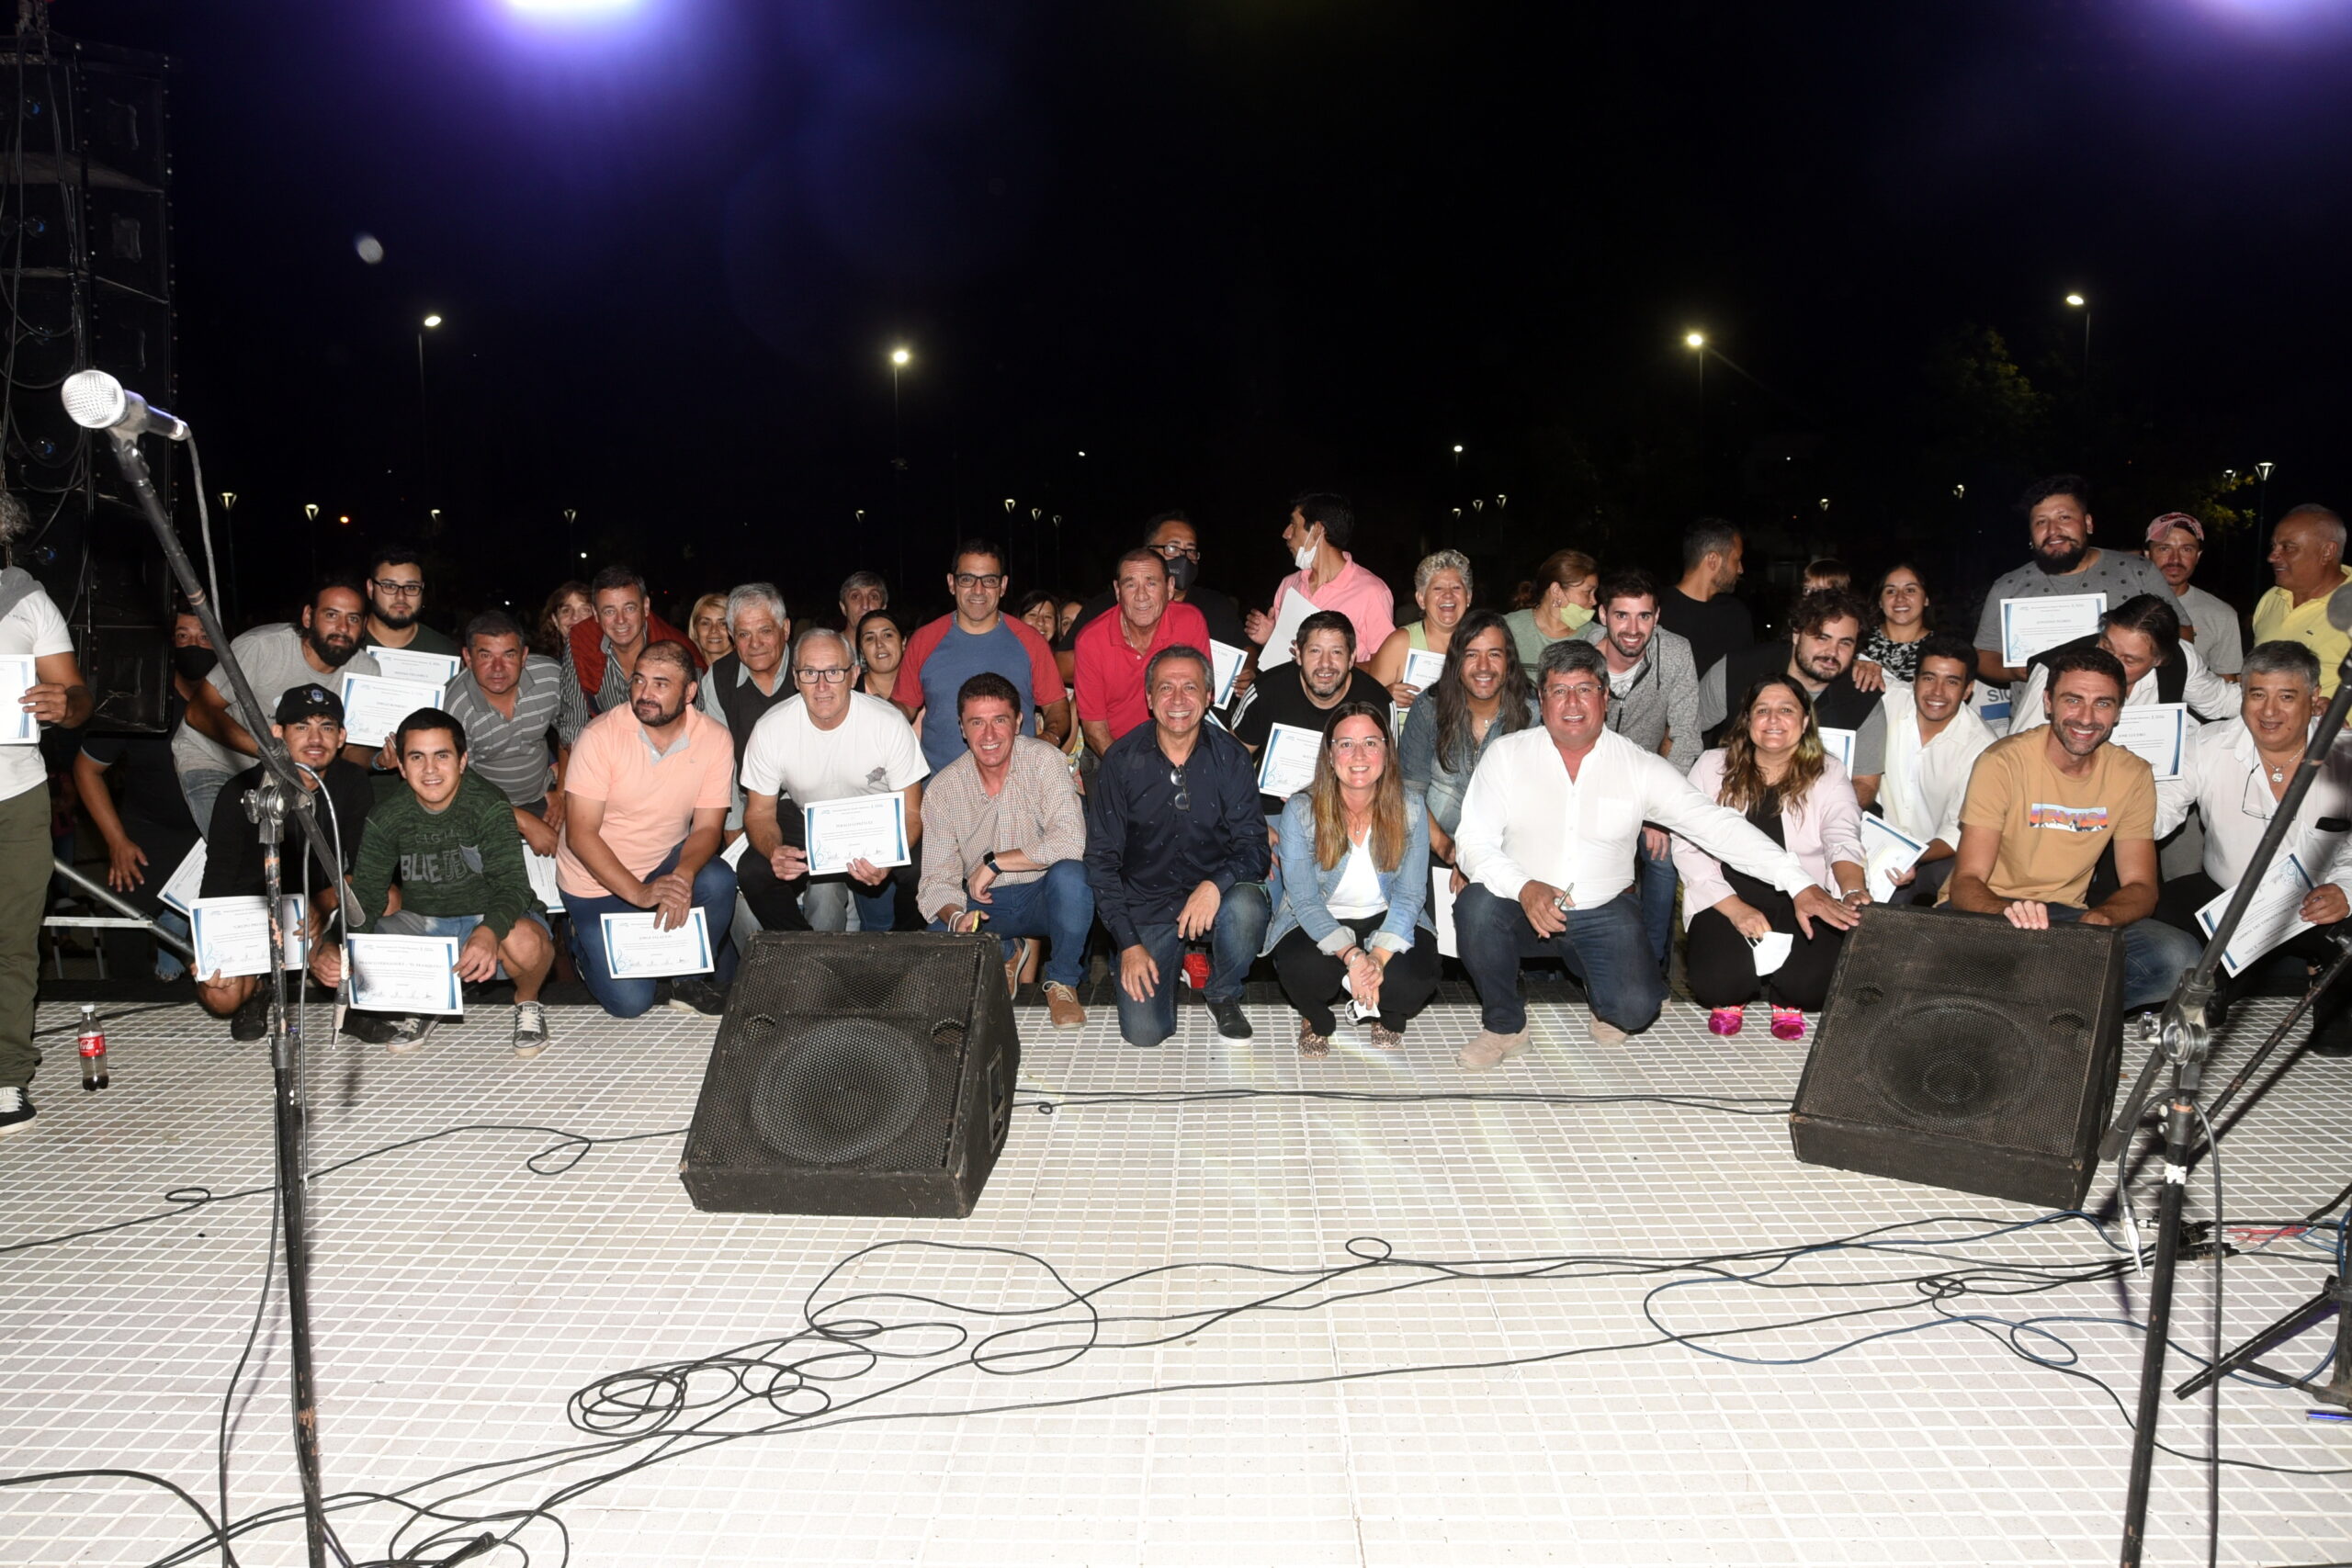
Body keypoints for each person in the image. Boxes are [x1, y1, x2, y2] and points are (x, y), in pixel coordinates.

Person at [1450, 641, 1851, 1067]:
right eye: (1559, 690)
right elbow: (1473, 843)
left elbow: (1718, 826)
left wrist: (1800, 882)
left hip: (1604, 906)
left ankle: (1596, 982)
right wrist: (1524, 886)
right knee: (1476, 905)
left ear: (1605, 696)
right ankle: (1505, 1024)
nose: (1572, 703)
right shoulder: (1507, 756)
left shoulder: (1638, 766)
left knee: (1634, 1011)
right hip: (1521, 903)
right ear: (1541, 698)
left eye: (1585, 689)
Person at [1939, 646, 2199, 1012]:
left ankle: (2031, 1005)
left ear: (2119, 711)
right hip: (1990, 913)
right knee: (1945, 960)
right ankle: (2053, 1005)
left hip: (2066, 919)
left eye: (2103, 704)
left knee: (2179, 958)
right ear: (2048, 702)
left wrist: (2102, 917)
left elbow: (2141, 888)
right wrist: (2008, 914)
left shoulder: (2132, 774)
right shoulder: (2002, 762)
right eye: (2073, 700)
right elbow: (1967, 881)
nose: (2086, 717)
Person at [312, 707, 554, 1055]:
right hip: (427, 924)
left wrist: (488, 931)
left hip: (487, 918)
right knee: (363, 949)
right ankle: (425, 1004)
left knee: (525, 940)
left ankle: (527, 1003)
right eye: (416, 757)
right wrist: (335, 945)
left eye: (442, 756)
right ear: (400, 764)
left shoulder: (488, 804)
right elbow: (365, 893)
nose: (429, 770)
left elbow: (513, 885)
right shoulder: (387, 815)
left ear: (462, 760)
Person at [2153, 641, 2352, 1053]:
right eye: (2257, 694)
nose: (2269, 711)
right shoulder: (2207, 745)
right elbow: (2158, 814)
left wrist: (2346, 890)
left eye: (2286, 696)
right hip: (2227, 899)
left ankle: (2330, 995)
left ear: (2314, 699)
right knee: (2163, 903)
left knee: (2339, 1043)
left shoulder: (2345, 755)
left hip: (2314, 904)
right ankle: (2220, 982)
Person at [1085, 645, 1272, 1046]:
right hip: (1146, 904)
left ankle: (1222, 992)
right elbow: (1100, 862)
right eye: (1165, 688)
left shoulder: (1231, 757)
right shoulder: (1121, 761)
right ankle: (1167, 962)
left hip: (1216, 895)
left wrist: (1214, 885)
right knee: (1144, 1033)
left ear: (1208, 697)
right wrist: (1129, 943)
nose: (1177, 700)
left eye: (1190, 687)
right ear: (1149, 698)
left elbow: (1255, 848)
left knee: (1248, 907)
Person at [1675, 675, 1868, 1041]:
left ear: (1805, 721)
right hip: (1725, 896)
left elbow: (1841, 836)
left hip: (1804, 896)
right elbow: (1687, 845)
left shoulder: (1829, 771)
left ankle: (1786, 997)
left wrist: (1852, 889)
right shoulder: (1712, 766)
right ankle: (1736, 992)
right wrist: (1735, 909)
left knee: (1810, 990)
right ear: (1747, 720)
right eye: (1762, 710)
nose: (1774, 720)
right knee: (1717, 986)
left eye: (1786, 710)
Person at [556, 640, 737, 1018]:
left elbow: (707, 828)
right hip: (594, 884)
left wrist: (682, 877)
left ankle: (687, 981)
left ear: (689, 691)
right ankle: (580, 944)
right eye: (639, 681)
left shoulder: (714, 739)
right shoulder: (600, 736)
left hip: (661, 863)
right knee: (631, 1004)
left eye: (660, 683)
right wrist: (640, 894)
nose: (645, 693)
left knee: (716, 879)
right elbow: (580, 835)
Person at [191, 684, 373, 1042]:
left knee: (382, 908)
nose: (315, 737)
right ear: (278, 733)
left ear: (342, 737)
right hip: (255, 914)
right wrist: (207, 949)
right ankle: (258, 989)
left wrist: (325, 904)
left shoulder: (352, 782)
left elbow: (371, 871)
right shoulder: (242, 790)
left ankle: (347, 998)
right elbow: (217, 880)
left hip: (321, 905)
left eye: (327, 727)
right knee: (219, 994)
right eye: (302, 727)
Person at [919, 671, 1091, 1030]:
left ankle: (1062, 982)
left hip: (1043, 895)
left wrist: (996, 863)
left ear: (1018, 722)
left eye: (999, 720)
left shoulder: (1044, 761)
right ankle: (1004, 949)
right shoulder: (943, 788)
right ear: (962, 729)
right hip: (984, 908)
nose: (989, 735)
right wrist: (956, 918)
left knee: (1074, 876)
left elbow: (1072, 839)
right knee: (927, 958)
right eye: (976, 723)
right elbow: (935, 881)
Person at [1266, 704, 1438, 1056]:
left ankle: (1387, 1012)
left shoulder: (1411, 807)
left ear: (1387, 752)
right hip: (1318, 916)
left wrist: (1376, 957)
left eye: (1371, 743)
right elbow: (1304, 900)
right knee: (1303, 968)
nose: (1358, 755)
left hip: (1386, 913)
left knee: (1416, 977)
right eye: (1345, 744)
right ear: (1329, 755)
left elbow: (1409, 896)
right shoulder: (1301, 810)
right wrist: (1354, 958)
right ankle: (1315, 1016)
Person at [738, 627, 929, 934]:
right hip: (809, 817)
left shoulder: (888, 723)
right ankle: (805, 948)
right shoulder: (771, 728)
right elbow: (759, 812)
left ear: (853, 675)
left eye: (834, 672)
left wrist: (889, 857)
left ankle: (899, 943)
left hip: (879, 822)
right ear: (796, 678)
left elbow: (910, 812)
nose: (822, 685)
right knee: (753, 871)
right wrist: (775, 850)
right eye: (810, 672)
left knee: (924, 868)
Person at [0, 512, 91, 1138]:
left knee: (12, 939)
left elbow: (78, 694)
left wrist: (65, 704)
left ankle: (6, 1075)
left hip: (15, 791)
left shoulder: (26, 595)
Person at [172, 577, 384, 829]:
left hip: (285, 772)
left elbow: (349, 751)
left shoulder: (366, 670)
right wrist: (271, 752)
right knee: (235, 851)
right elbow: (198, 712)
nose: (342, 627)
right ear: (308, 617)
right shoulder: (263, 647)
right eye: (331, 615)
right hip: (215, 759)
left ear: (364, 626)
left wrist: (378, 761)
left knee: (297, 859)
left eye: (353, 618)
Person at [1573, 569, 1703, 974]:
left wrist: (1656, 810)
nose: (1633, 628)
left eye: (1644, 616)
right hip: (1583, 779)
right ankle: (1565, 962)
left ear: (1657, 616)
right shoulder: (1574, 655)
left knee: (1663, 855)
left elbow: (1686, 736)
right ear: (1602, 615)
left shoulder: (1677, 652)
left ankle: (1648, 963)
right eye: (1622, 615)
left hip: (1647, 781)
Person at [77, 608, 209, 978]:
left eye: (204, 636)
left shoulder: (240, 701)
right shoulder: (137, 698)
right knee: (124, 926)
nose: (194, 645)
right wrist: (116, 841)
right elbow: (86, 771)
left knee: (218, 954)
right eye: (182, 636)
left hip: (212, 836)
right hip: (147, 832)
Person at [1973, 474, 2172, 691]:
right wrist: (2015, 671)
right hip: (2040, 718)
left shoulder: (2138, 571)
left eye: (2064, 518)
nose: (2053, 530)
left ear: (2088, 523)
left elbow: (2182, 633)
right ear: (2030, 534)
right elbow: (1983, 655)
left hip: (2132, 713)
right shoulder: (2008, 586)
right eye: (2041, 522)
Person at [895, 538, 1069, 772]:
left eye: (989, 580)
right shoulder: (924, 641)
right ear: (951, 583)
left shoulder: (1030, 641)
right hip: (942, 790)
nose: (978, 590)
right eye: (967, 579)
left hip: (1015, 785)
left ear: (1003, 585)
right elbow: (902, 706)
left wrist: (1049, 739)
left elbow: (1056, 706)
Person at [1698, 590, 1885, 796]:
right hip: (1729, 807)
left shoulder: (1863, 697)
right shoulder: (1735, 671)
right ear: (1797, 634)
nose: (1832, 652)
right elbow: (1681, 734)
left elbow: (1865, 784)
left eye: (1845, 643)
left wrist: (1829, 813)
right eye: (1823, 638)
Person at [1398, 608, 1538, 871]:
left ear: (1509, 662)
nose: (1483, 667)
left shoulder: (1534, 714)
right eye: (1471, 655)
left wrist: (1480, 858)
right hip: (1433, 847)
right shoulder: (1430, 708)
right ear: (1456, 662)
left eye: (1494, 654)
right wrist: (1448, 850)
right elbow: (1409, 791)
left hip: (1506, 856)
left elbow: (1536, 804)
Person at [1874, 633, 1996, 906]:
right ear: (1914, 680)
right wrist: (1864, 665)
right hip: (1874, 844)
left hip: (1938, 854)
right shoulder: (1888, 701)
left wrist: (1907, 855)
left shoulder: (1982, 747)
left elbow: (1958, 831)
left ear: (1968, 690)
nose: (1937, 692)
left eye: (1951, 682)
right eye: (1929, 678)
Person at [2007, 592, 2239, 731]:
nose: (2111, 663)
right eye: (2107, 646)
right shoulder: (2054, 670)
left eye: (2129, 660)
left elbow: (2221, 701)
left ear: (2159, 660)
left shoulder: (2181, 660)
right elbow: (2021, 750)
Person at [443, 610, 570, 858]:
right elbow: (453, 784)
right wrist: (521, 820)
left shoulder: (550, 677)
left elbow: (571, 732)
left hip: (544, 794)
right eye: (486, 655)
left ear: (524, 656)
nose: (498, 668)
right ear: (467, 657)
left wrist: (563, 792)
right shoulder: (454, 706)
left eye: (509, 655)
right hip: (480, 807)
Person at [1234, 610, 1384, 819]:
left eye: (1337, 652)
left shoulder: (1378, 703)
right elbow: (1228, 760)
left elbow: (1389, 779)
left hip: (1349, 812)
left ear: (1352, 658)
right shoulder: (1265, 691)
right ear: (1297, 652)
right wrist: (1251, 824)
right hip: (1272, 812)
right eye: (1314, 651)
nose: (1325, 663)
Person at [1074, 547, 1211, 752]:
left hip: (1181, 748)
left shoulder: (1190, 622)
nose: (1141, 596)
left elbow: (1200, 697)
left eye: (1151, 583)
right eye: (1130, 585)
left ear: (1170, 587)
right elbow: (1095, 729)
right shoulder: (1091, 641)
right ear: (1118, 591)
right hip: (1114, 752)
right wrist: (1129, 773)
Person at [1060, 512, 1250, 653]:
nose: (1183, 557)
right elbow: (1064, 662)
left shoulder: (1215, 606)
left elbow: (1244, 651)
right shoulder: (1106, 606)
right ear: (1147, 551)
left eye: (1190, 550)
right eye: (1172, 548)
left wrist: (1246, 672)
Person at [558, 565, 700, 744]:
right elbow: (573, 720)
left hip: (667, 752)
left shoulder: (679, 649)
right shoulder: (581, 641)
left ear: (646, 606)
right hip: (605, 753)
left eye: (630, 608)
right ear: (595, 614)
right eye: (609, 611)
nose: (620, 620)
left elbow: (696, 725)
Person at [1244, 491, 1395, 659]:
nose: (1286, 533)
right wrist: (1270, 638)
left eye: (1293, 524)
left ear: (1317, 530)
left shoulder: (1371, 592)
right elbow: (1286, 662)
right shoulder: (1289, 585)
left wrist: (1330, 669)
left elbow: (1386, 666)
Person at [2252, 504, 2352, 698]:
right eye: (2274, 546)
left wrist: (2335, 710)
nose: (2272, 557)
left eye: (2288, 548)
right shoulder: (2271, 599)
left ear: (2327, 552)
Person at [693, 583, 794, 775]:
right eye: (744, 634)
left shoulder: (810, 667)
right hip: (747, 797)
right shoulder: (720, 678)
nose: (755, 644)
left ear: (785, 628)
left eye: (765, 631)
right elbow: (718, 759)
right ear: (732, 636)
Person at [1364, 550, 1473, 712]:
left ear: (1469, 597)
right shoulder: (1400, 643)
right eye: (1438, 588)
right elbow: (1365, 705)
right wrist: (1385, 697)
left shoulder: (1480, 643)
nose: (1448, 595)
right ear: (1421, 599)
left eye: (1456, 587)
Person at [2145, 513, 2243, 678]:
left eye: (2186, 549)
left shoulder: (2222, 615)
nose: (2175, 559)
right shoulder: (2121, 603)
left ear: (2198, 556)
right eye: (2164, 548)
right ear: (2147, 554)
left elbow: (2227, 684)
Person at [1659, 518, 1753, 688]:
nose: (1740, 569)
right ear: (1712, 560)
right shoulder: (1654, 613)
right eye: (1736, 560)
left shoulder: (1737, 615)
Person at [1502, 548, 1599, 668]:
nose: (1594, 601)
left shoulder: (1596, 637)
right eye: (1587, 592)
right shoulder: (1507, 628)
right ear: (1556, 591)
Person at [360, 544, 460, 655]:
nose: (401, 597)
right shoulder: (346, 646)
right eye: (389, 586)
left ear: (422, 589)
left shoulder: (442, 651)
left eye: (411, 588)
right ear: (370, 588)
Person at [1857, 562, 1932, 686]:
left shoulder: (1943, 649)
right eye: (1891, 591)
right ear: (1880, 601)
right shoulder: (1857, 642)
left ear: (1926, 599)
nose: (1900, 598)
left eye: (1910, 590)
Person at [854, 609, 909, 704]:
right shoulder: (850, 696)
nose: (879, 644)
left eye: (887, 635)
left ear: (903, 642)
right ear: (862, 651)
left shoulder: (927, 688)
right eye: (870, 638)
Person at [535, 581, 592, 660]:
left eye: (585, 610)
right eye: (566, 610)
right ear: (555, 620)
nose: (575, 617)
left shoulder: (611, 661)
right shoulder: (543, 665)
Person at [687, 592, 734, 667]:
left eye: (723, 623)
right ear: (695, 629)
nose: (714, 630)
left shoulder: (752, 671)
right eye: (705, 623)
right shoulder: (685, 672)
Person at [839, 570, 888, 634]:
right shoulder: (828, 643)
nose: (865, 605)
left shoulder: (895, 643)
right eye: (855, 597)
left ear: (883, 608)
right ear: (843, 608)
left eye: (873, 597)